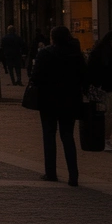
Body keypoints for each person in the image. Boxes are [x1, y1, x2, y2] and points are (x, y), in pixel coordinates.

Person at [29, 25, 85, 186]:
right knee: (67, 136)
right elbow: (84, 76)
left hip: (48, 100)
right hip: (70, 100)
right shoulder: (76, 54)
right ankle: (73, 175)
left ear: (52, 38)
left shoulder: (45, 53)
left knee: (49, 135)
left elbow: (35, 76)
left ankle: (51, 172)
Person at [86, 31, 112, 151]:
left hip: (104, 88)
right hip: (109, 88)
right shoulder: (111, 54)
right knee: (109, 114)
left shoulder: (100, 52)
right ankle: (105, 139)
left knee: (106, 114)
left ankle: (102, 139)